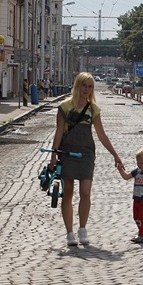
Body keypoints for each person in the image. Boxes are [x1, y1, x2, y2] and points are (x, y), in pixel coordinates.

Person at [49, 72, 123, 246]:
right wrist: (54, 155)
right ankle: (69, 233)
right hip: (67, 153)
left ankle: (82, 229)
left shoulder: (93, 109)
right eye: (84, 85)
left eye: (90, 87)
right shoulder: (64, 107)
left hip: (87, 154)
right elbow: (59, 131)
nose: (87, 89)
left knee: (85, 192)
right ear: (77, 86)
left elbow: (101, 134)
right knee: (67, 193)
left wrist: (115, 155)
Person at [117, 147, 143, 243]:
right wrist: (120, 170)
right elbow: (126, 177)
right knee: (136, 217)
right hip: (136, 199)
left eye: (141, 163)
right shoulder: (136, 171)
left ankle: (141, 235)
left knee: (142, 217)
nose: (139, 165)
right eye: (138, 162)